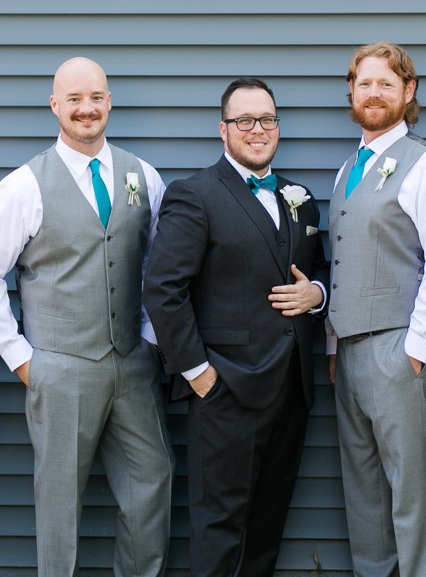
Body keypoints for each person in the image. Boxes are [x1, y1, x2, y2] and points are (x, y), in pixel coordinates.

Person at [0, 57, 174, 575]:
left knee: (151, 485)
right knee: (59, 502)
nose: (87, 109)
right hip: (59, 368)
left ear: (109, 102)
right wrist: (23, 360)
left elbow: (159, 266)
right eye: (74, 99)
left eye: (96, 97)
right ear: (55, 105)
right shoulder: (25, 185)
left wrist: (149, 338)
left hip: (133, 366)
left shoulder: (143, 176)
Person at [144, 77, 328, 576]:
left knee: (267, 531)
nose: (257, 129)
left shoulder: (301, 198)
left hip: (292, 392)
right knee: (219, 531)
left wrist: (317, 294)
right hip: (225, 393)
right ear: (222, 130)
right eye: (244, 120)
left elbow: (321, 271)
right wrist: (197, 372)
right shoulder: (195, 195)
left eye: (266, 119)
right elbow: (163, 289)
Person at [326, 42, 426, 577]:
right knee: (362, 488)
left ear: (408, 93)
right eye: (365, 83)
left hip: (396, 346)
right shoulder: (348, 170)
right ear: (352, 93)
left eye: (387, 83)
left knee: (409, 489)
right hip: (349, 352)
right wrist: (335, 346)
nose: (374, 93)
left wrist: (416, 348)